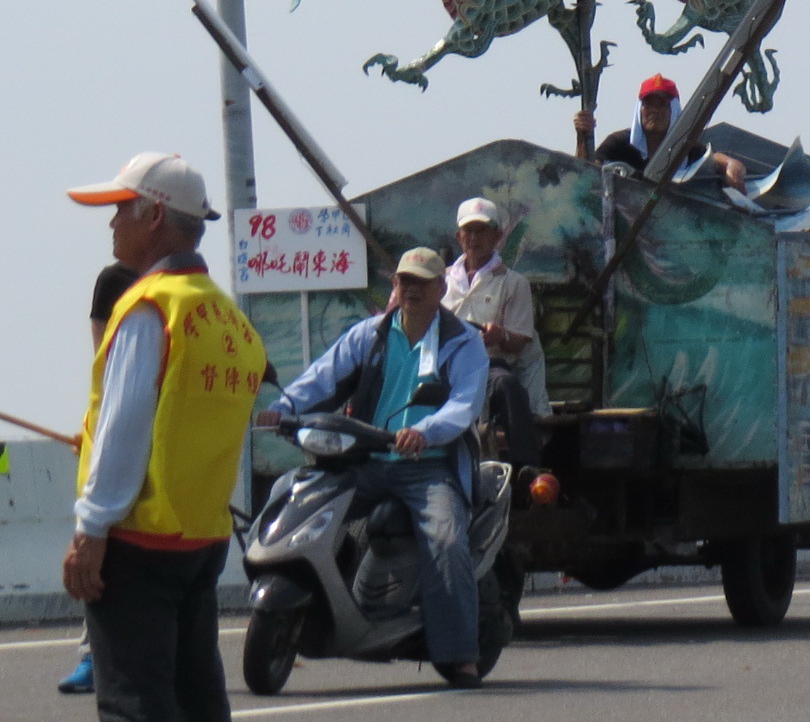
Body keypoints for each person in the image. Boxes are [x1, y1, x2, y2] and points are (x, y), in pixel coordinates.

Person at [64, 152, 265, 722]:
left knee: (136, 706)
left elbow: (125, 427)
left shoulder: (149, 307)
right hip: (202, 537)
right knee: (199, 700)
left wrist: (91, 529)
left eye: (122, 209)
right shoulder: (228, 318)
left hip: (138, 540)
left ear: (155, 216)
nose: (112, 223)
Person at [265, 248, 491, 686]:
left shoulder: (464, 342)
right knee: (288, 493)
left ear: (440, 288)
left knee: (446, 540)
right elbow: (322, 376)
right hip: (364, 459)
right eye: (404, 281)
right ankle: (297, 608)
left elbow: (465, 404)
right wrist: (283, 407)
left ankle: (460, 652)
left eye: (421, 282)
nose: (411, 289)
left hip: (426, 467)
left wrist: (425, 430)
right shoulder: (370, 334)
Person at [57, 262, 139, 697]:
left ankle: (102, 660)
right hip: (105, 461)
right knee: (101, 569)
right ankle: (93, 657)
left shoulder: (160, 301)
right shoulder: (117, 282)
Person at [446, 198, 547, 448]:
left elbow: (520, 343)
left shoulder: (513, 283)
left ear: (498, 237)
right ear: (459, 236)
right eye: (468, 231)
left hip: (489, 366)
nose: (474, 238)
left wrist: (500, 336)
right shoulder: (441, 281)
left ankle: (525, 463)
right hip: (446, 364)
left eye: (482, 231)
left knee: (507, 385)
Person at [594, 75, 748, 189]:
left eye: (662, 105)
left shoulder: (684, 149)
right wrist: (583, 135)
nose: (654, 111)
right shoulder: (618, 143)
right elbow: (585, 170)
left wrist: (731, 166)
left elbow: (714, 159)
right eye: (648, 105)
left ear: (674, 111)